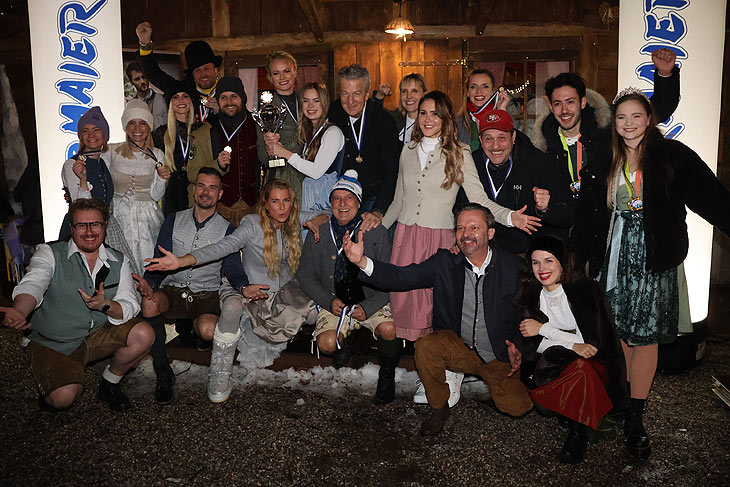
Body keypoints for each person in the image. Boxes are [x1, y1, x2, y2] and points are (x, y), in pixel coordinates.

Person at [572, 88, 730, 458]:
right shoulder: (602, 156)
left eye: (636, 116)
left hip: (654, 258)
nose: (629, 124)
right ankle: (621, 404)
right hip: (613, 258)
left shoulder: (672, 155)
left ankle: (636, 419)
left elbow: (711, 196)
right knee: (619, 336)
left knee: (646, 339)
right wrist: (579, 256)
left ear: (649, 119)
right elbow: (587, 212)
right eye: (622, 117)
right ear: (615, 122)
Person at [343, 203, 533, 436]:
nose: (466, 234)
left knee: (517, 406)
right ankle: (439, 408)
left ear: (490, 233)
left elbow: (528, 311)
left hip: (496, 352)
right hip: (458, 346)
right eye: (461, 228)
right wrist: (362, 261)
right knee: (426, 346)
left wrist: (519, 346)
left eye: (474, 227)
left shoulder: (513, 267)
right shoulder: (445, 262)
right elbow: (403, 277)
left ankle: (496, 385)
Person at [144, 179, 327, 403]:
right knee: (231, 306)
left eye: (286, 201)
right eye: (275, 201)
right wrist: (181, 261)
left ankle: (290, 331)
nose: (282, 207)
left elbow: (329, 213)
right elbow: (222, 247)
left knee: (316, 312)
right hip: (247, 289)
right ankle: (220, 372)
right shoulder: (251, 224)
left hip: (282, 294)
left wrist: (317, 220)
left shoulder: (295, 220)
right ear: (265, 204)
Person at [0, 199, 153, 412]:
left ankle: (109, 384)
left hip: (95, 334)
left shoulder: (119, 260)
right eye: (82, 225)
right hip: (55, 340)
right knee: (63, 399)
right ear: (71, 228)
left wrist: (106, 304)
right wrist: (20, 311)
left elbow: (130, 304)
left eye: (95, 224)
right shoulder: (49, 253)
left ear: (105, 226)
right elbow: (34, 283)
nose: (89, 231)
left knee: (144, 333)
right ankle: (53, 376)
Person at [532, 49, 680, 237]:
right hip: (564, 233)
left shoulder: (605, 127)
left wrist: (665, 74)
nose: (564, 110)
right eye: (558, 104)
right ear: (550, 107)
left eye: (570, 102)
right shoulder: (543, 143)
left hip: (604, 231)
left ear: (583, 102)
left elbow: (658, 109)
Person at [133, 168, 247, 404]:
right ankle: (163, 373)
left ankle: (194, 333)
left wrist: (244, 287)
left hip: (206, 294)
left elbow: (234, 268)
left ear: (220, 194)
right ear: (194, 191)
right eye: (201, 186)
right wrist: (149, 284)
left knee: (208, 329)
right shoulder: (173, 219)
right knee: (149, 303)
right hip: (174, 290)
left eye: (212, 188)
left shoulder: (228, 229)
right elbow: (158, 258)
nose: (206, 192)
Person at [517, 236, 627, 464]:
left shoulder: (584, 290)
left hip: (593, 366)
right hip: (551, 367)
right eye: (535, 263)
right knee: (571, 368)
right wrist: (569, 343)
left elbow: (590, 345)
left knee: (581, 367)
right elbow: (535, 344)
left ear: (562, 263)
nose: (542, 269)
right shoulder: (530, 295)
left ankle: (578, 433)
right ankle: (571, 412)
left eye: (548, 261)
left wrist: (545, 329)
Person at [299, 170, 399, 403]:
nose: (342, 204)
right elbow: (304, 275)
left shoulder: (377, 232)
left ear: (359, 202)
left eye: (349, 199)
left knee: (389, 330)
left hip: (370, 299)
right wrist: (328, 300)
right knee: (326, 345)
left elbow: (389, 276)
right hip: (336, 301)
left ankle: (387, 375)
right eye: (336, 199)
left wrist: (370, 305)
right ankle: (348, 335)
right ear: (330, 203)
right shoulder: (319, 231)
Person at [457, 109, 573, 254]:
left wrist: (546, 209)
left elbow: (568, 216)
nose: (495, 146)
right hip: (481, 252)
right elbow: (459, 208)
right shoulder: (472, 164)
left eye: (502, 138)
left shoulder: (539, 163)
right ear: (480, 141)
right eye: (488, 139)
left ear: (513, 137)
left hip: (525, 255)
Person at [327, 64, 401, 230]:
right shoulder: (334, 111)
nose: (350, 101)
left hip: (371, 198)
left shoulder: (384, 122)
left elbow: (391, 173)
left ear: (367, 94)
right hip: (341, 198)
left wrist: (378, 210)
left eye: (356, 94)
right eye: (345, 94)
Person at [107, 99, 169, 274]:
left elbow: (156, 195)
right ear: (125, 126)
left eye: (142, 123)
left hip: (148, 219)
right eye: (132, 123)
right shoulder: (112, 151)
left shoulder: (157, 154)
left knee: (148, 264)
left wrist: (162, 179)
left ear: (149, 126)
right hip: (118, 217)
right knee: (120, 265)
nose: (137, 129)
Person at [187, 76, 259, 225]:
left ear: (243, 98)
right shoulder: (205, 132)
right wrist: (217, 165)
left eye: (234, 96)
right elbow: (192, 174)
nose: (229, 102)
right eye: (223, 97)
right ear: (218, 101)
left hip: (254, 209)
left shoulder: (258, 127)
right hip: (218, 211)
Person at [265, 81, 345, 212]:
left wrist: (284, 152)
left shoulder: (332, 132)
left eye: (316, 100)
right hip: (309, 201)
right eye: (306, 101)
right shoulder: (307, 132)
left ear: (324, 103)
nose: (311, 105)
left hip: (324, 205)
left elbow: (316, 171)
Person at [135, 21, 221, 123]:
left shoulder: (227, 93)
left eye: (206, 68)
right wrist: (145, 44)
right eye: (198, 70)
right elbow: (153, 73)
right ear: (192, 74)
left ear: (216, 70)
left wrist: (221, 114)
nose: (203, 74)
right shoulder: (180, 90)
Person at [258, 51, 305, 200]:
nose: (283, 77)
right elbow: (262, 156)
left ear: (295, 72)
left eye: (287, 71)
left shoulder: (308, 101)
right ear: (269, 78)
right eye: (276, 73)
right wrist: (270, 147)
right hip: (281, 177)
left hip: (310, 173)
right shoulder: (266, 111)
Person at [152, 81, 199, 215]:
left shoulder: (202, 129)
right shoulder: (161, 133)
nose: (181, 100)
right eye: (175, 97)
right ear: (170, 103)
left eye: (185, 96)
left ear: (191, 100)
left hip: (198, 195)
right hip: (172, 199)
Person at [456, 68, 510, 151]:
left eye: (485, 86)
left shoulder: (506, 118)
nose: (479, 91)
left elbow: (514, 150)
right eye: (473, 87)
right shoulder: (456, 123)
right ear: (467, 92)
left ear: (493, 91)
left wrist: (502, 112)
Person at [372, 73, 428, 144]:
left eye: (414, 91)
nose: (409, 96)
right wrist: (380, 95)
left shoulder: (430, 122)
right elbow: (373, 116)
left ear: (424, 95)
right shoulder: (394, 118)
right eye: (404, 91)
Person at [126, 61, 167, 130]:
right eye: (137, 79)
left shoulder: (163, 99)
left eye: (144, 77)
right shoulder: (131, 105)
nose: (142, 81)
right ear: (131, 82)